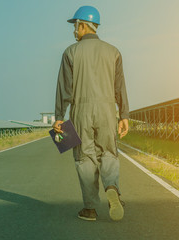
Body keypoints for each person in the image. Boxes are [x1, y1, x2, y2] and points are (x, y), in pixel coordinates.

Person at [52, 6, 129, 221]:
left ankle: (90, 209)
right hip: (107, 110)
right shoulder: (113, 51)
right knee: (108, 152)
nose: (74, 31)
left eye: (75, 26)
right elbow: (119, 87)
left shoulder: (70, 52)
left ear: (83, 25)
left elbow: (64, 88)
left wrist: (59, 116)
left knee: (84, 157)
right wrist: (124, 115)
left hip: (81, 111)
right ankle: (112, 186)